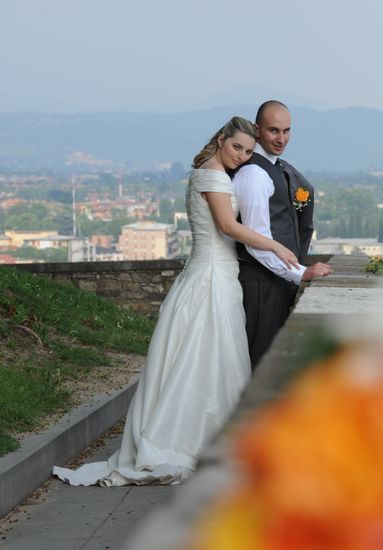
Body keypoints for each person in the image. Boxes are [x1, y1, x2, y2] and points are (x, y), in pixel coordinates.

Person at [53, 117, 299, 486]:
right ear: (221, 139)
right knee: (209, 357)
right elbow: (230, 228)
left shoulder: (205, 171)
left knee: (208, 359)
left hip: (212, 271)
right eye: (237, 148)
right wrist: (279, 246)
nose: (242, 157)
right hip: (212, 275)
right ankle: (196, 440)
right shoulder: (214, 177)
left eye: (249, 152)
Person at [233, 100, 331, 368]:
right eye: (274, 131)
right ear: (257, 130)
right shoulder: (254, 173)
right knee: (261, 362)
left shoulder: (276, 167)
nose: (281, 138)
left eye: (287, 131)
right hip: (260, 284)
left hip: (274, 280)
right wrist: (300, 273)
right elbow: (256, 241)